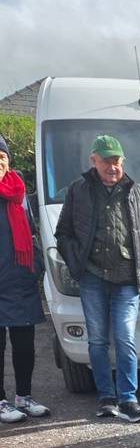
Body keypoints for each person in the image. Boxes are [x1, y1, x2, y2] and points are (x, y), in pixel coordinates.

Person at [55, 135, 140, 422]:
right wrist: (76, 259)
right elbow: (62, 232)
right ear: (94, 161)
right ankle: (106, 397)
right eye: (106, 161)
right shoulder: (78, 190)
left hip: (128, 280)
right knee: (98, 340)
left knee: (125, 338)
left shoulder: (138, 192)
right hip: (92, 278)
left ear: (122, 161)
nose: (112, 167)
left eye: (116, 161)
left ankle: (128, 399)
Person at [0, 134, 50, 424]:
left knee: (24, 345)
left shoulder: (19, 192)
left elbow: (33, 233)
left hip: (21, 280)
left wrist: (38, 265)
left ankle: (24, 396)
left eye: (2, 158)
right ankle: (1, 400)